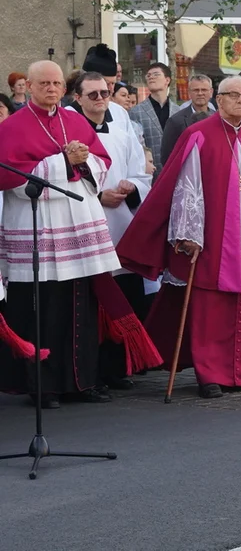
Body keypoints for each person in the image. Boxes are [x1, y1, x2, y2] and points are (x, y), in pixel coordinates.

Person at [0, 61, 158, 408]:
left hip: (78, 227)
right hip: (39, 229)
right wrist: (63, 161)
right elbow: (10, 177)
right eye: (44, 83)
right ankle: (46, 387)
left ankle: (81, 381)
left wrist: (84, 162)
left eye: (57, 83)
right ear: (28, 85)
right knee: (44, 311)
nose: (52, 89)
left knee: (81, 308)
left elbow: (100, 162)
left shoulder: (74, 121)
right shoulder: (13, 127)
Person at [118, 76, 241, 399]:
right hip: (212, 238)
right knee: (210, 311)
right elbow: (186, 188)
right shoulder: (200, 134)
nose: (240, 100)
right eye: (233, 95)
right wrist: (189, 234)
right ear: (218, 100)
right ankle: (210, 375)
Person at [71, 72, 154, 389]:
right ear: (77, 98)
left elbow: (140, 171)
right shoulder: (69, 129)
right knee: (92, 300)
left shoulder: (120, 125)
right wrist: (98, 195)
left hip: (121, 222)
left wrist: (132, 186)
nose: (101, 99)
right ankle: (92, 371)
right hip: (86, 221)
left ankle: (119, 367)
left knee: (124, 295)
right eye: (92, 94)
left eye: (104, 93)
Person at [128, 61, 180, 173]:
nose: (151, 77)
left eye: (156, 74)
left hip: (175, 171)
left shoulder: (178, 112)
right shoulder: (135, 112)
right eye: (148, 75)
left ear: (167, 80)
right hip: (148, 173)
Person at [160, 74, 214, 165]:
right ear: (189, 93)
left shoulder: (219, 119)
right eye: (196, 90)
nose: (200, 93)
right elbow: (167, 157)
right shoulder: (175, 121)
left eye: (204, 90)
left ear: (211, 92)